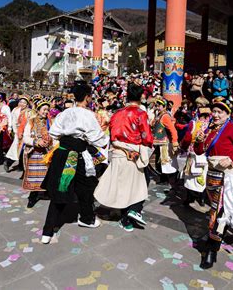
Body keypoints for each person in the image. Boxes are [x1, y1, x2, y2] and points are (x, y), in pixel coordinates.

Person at [40, 84, 108, 244]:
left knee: (60, 190)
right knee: (85, 188)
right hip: (76, 156)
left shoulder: (65, 113)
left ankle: (47, 232)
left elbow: (54, 133)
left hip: (61, 153)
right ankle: (87, 218)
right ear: (87, 97)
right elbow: (98, 139)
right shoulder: (88, 115)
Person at [194, 101, 233, 269]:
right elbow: (199, 151)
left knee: (218, 212)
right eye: (214, 112)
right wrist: (199, 141)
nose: (215, 115)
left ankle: (211, 250)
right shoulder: (209, 130)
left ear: (227, 115)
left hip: (228, 178)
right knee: (226, 209)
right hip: (212, 176)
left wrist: (231, 159)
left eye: (219, 112)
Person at [94, 84, 154, 232]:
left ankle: (123, 212)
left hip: (116, 151)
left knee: (121, 184)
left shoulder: (117, 113)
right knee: (135, 186)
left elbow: (112, 131)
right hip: (132, 151)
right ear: (141, 97)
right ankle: (128, 216)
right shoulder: (140, 113)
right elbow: (146, 136)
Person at [22, 100, 54, 208]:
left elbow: (55, 136)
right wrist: (36, 142)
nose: (46, 112)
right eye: (44, 109)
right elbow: (25, 137)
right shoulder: (31, 121)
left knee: (47, 175)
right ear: (38, 110)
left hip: (47, 152)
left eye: (47, 110)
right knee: (35, 176)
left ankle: (45, 192)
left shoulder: (50, 122)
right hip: (35, 152)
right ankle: (32, 197)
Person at [5, 96, 32, 172]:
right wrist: (15, 131)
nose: (22, 104)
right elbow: (13, 121)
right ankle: (8, 162)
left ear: (27, 104)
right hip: (18, 132)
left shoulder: (29, 111)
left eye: (24, 102)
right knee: (16, 149)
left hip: (26, 133)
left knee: (23, 150)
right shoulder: (15, 110)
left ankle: (21, 166)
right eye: (21, 102)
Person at [0, 92, 12, 165]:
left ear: (0, 99)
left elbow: (9, 117)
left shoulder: (5, 107)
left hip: (2, 128)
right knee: (0, 144)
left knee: (0, 144)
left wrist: (10, 127)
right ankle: (6, 157)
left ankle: (0, 159)